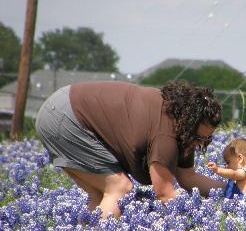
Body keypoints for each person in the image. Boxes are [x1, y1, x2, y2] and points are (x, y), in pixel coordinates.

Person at [35, 80, 226, 218]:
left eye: (208, 138)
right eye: (200, 137)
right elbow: (165, 193)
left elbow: (188, 177)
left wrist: (231, 190)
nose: (202, 143)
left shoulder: (181, 124)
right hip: (66, 117)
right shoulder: (165, 136)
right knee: (118, 188)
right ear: (189, 124)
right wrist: (203, 220)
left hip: (61, 109)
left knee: (100, 193)